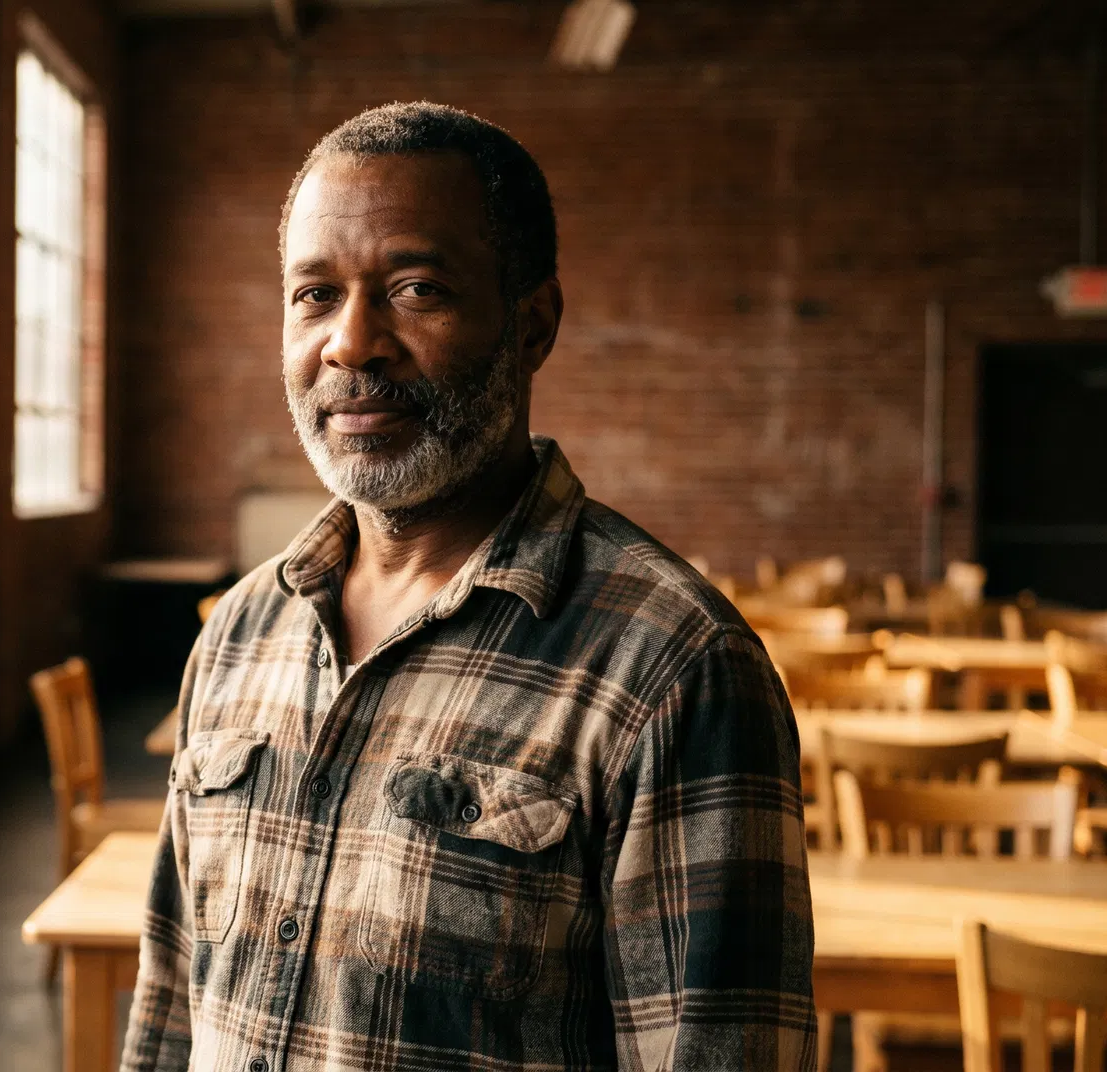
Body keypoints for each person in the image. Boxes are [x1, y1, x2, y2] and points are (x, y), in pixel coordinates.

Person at [119, 101, 816, 1072]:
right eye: (314, 295)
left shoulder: (674, 671)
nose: (351, 344)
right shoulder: (241, 631)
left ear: (533, 325)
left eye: (415, 289)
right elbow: (169, 1010)